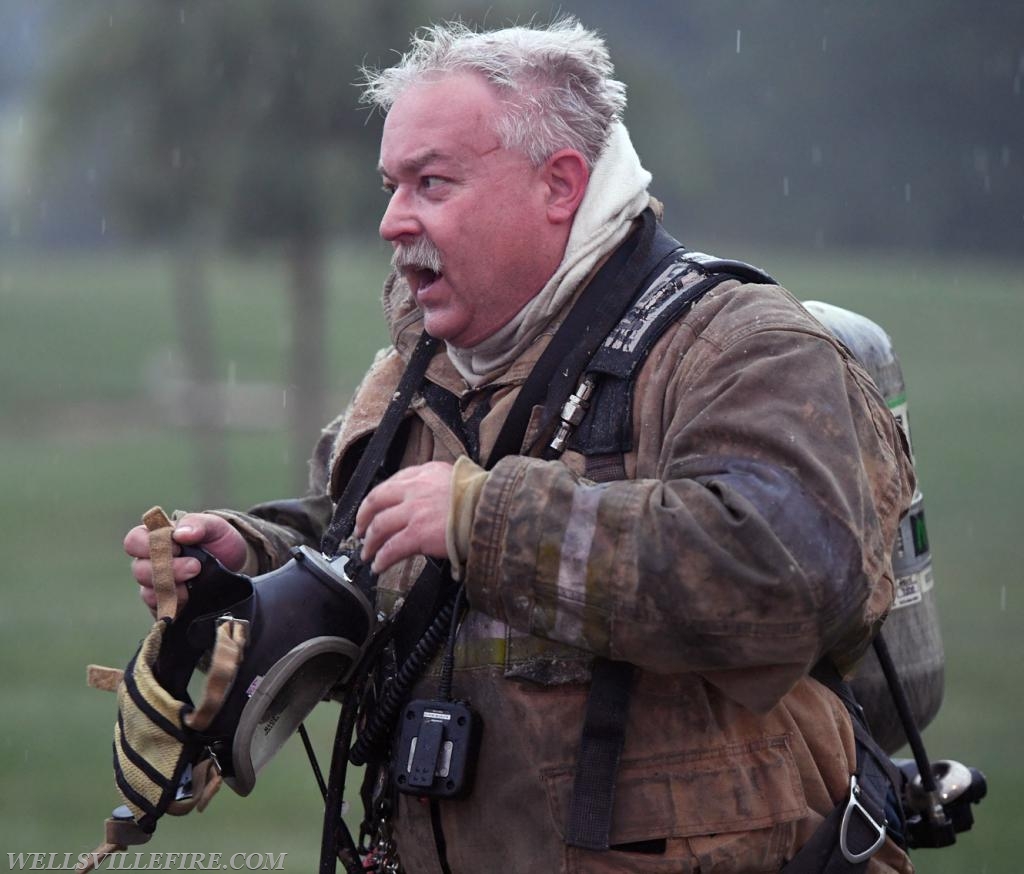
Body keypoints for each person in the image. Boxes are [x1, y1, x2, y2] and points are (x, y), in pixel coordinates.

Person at [124, 18, 916, 873]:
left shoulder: (738, 347)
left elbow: (787, 578)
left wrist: (483, 518)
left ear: (560, 184)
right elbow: (369, 533)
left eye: (431, 183)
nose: (393, 221)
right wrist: (257, 556)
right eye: (391, 185)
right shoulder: (422, 369)